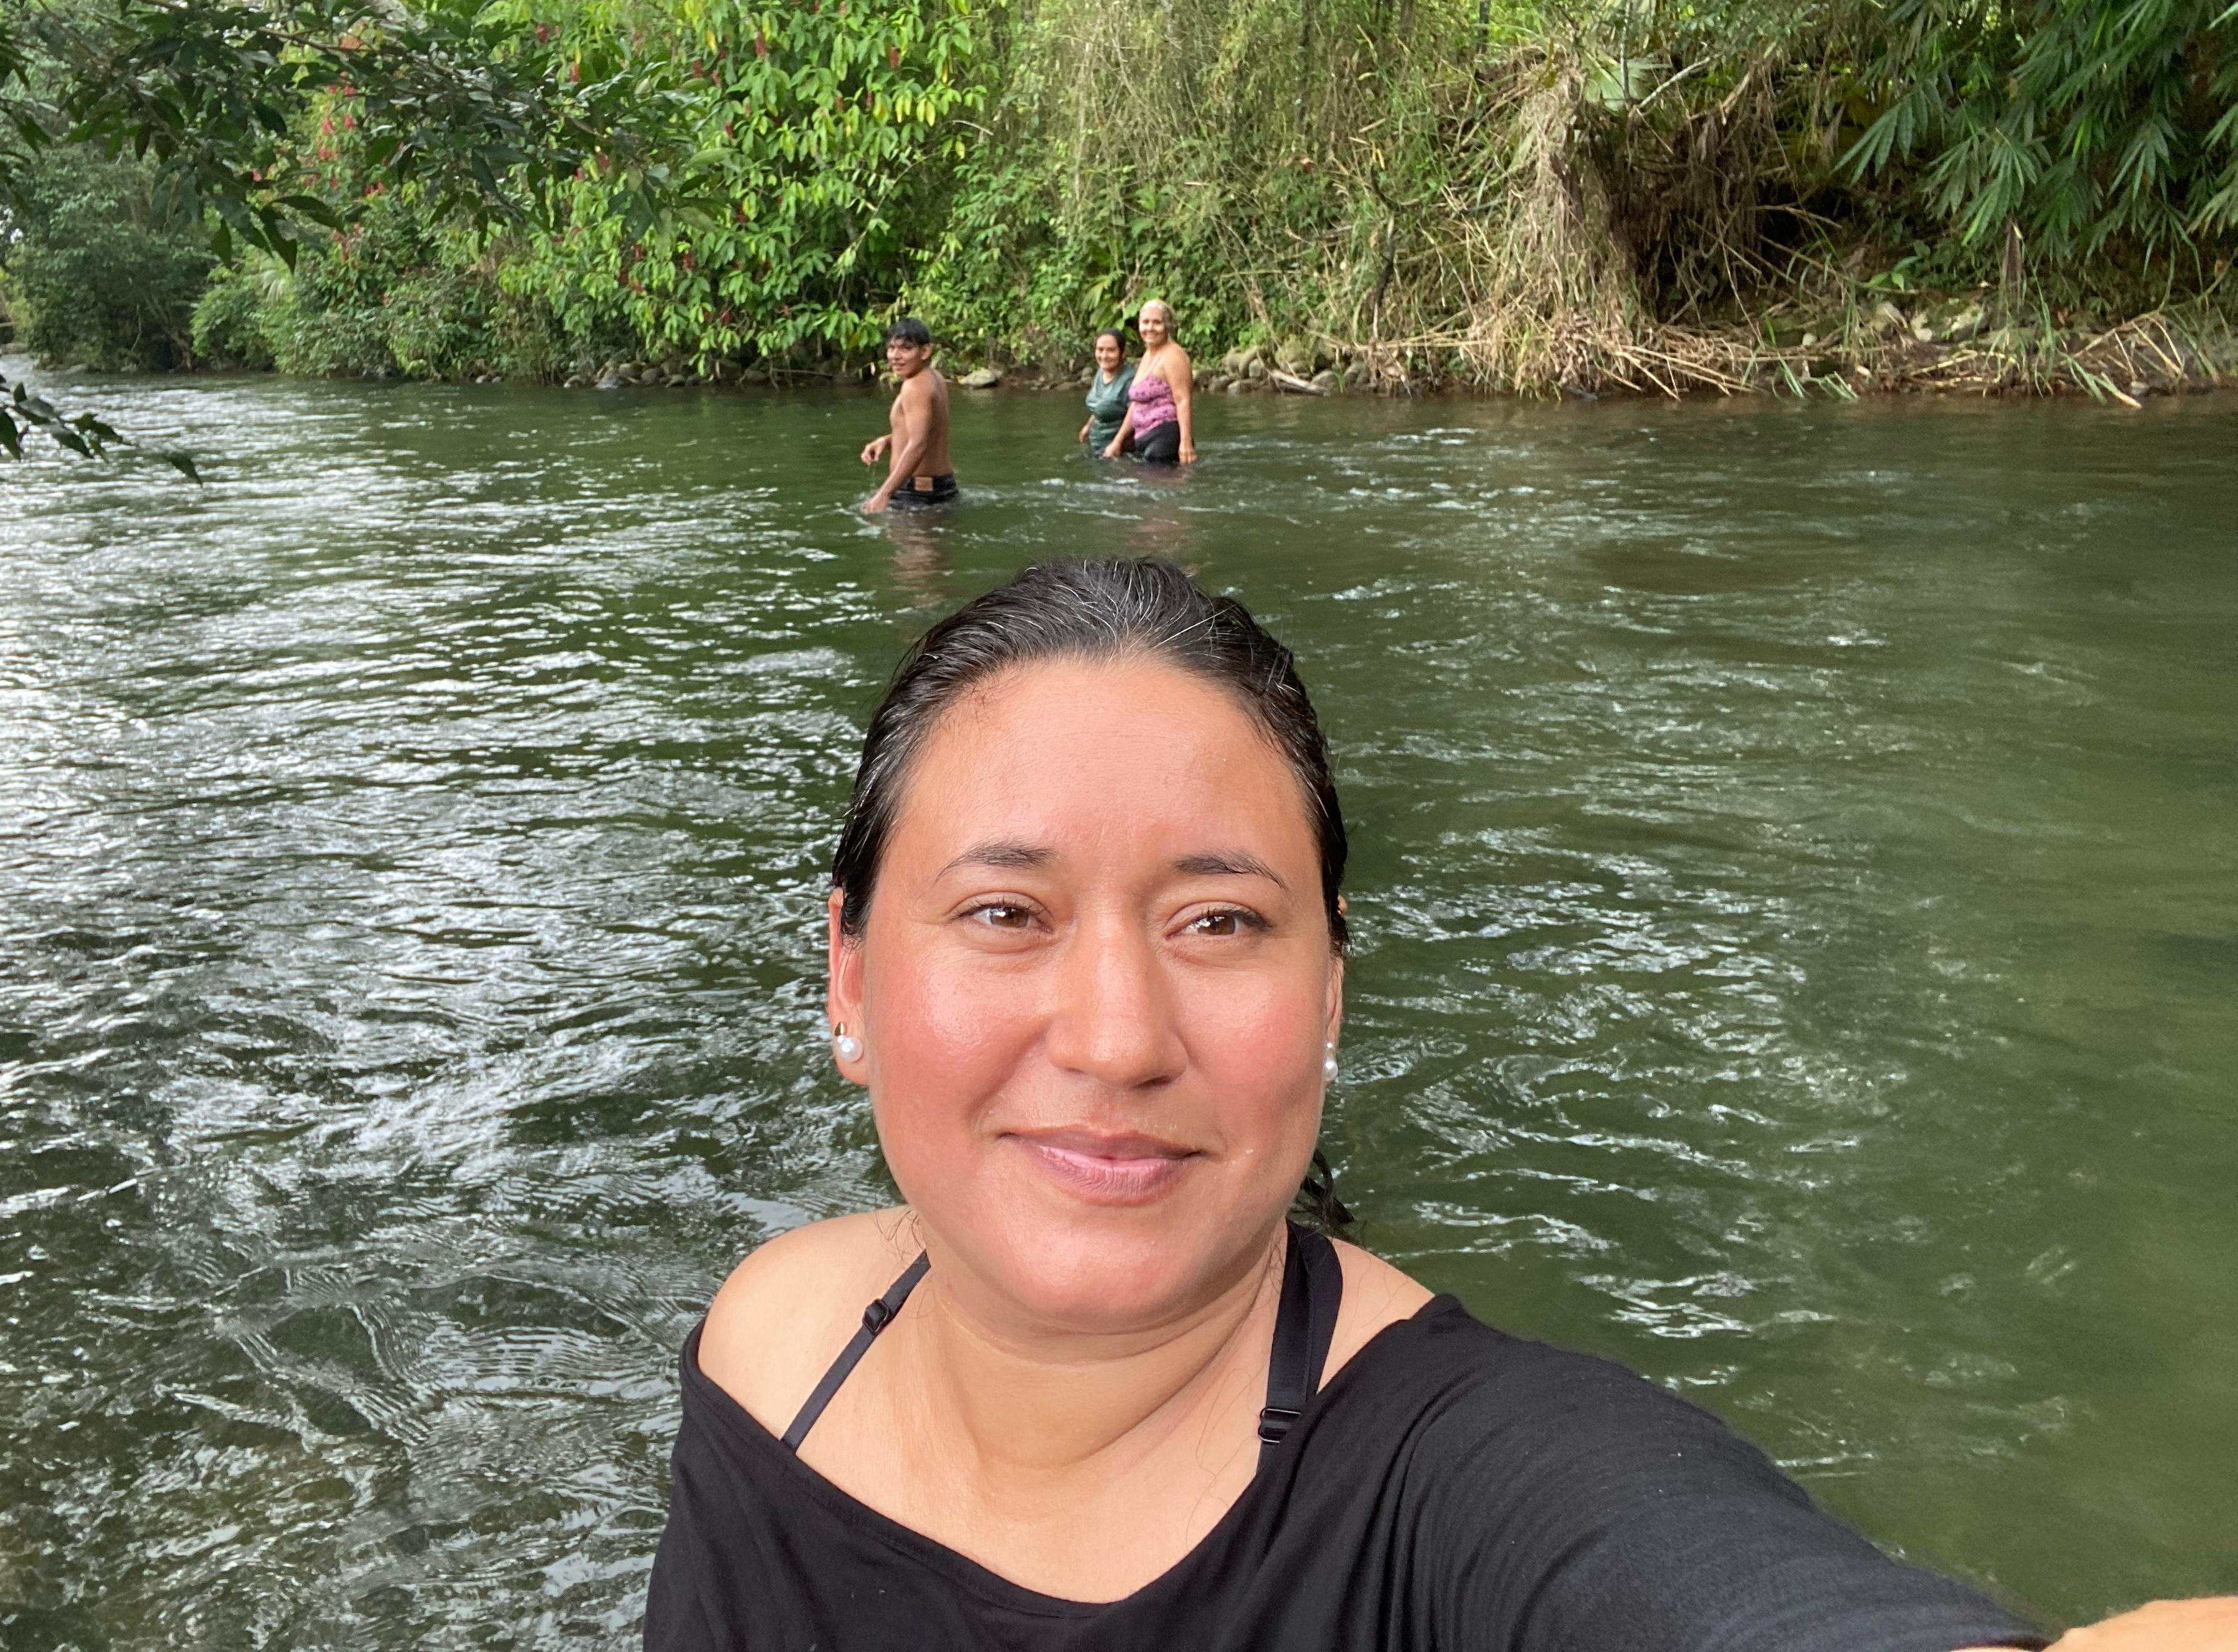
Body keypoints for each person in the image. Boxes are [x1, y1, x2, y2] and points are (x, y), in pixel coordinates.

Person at [644, 557, 2234, 1652]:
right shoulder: (774, 1350)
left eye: (1221, 922)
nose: (1119, 1038)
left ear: (1330, 992)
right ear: (850, 977)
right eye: (1006, 913)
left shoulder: (1469, 1478)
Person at [860, 318, 955, 511]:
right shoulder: (934, 377)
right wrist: (888, 441)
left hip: (917, 493)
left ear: (925, 351)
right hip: (939, 487)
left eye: (906, 348)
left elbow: (918, 444)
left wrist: (883, 494)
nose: (895, 356)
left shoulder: (914, 386)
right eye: (891, 348)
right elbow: (929, 433)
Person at [1107, 298, 1196, 464]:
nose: (1150, 328)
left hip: (1166, 435)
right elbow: (1136, 403)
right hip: (1143, 437)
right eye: (1145, 322)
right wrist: (1117, 441)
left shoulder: (1173, 355)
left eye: (1157, 323)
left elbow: (1183, 400)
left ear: (1167, 326)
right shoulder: (1148, 355)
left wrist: (1186, 443)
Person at [1079, 325, 1134, 453]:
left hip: (1119, 451)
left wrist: (1117, 443)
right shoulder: (1101, 372)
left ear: (1122, 352)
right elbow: (1101, 404)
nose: (1104, 356)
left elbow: (1135, 415)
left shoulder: (1129, 380)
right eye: (1100, 350)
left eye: (1111, 350)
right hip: (1097, 443)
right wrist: (1088, 426)